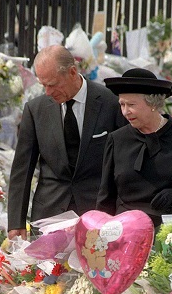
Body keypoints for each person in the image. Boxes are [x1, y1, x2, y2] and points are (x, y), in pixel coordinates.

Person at [7, 44, 126, 239]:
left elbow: (122, 164)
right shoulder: (36, 110)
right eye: (43, 84)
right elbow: (22, 169)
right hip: (49, 213)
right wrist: (16, 222)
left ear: (72, 72)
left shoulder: (110, 103)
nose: (47, 92)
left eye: (52, 84)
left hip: (97, 213)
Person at [96, 68, 172, 227]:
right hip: (127, 233)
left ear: (152, 104)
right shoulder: (117, 139)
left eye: (131, 105)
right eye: (122, 105)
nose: (125, 112)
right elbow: (106, 197)